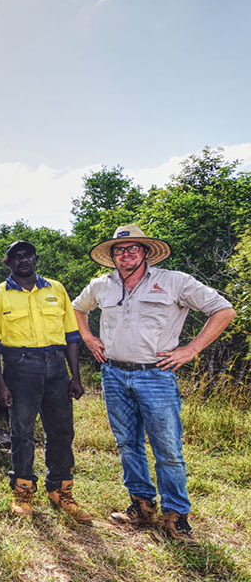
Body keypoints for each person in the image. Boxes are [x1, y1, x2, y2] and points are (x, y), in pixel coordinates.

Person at [72, 225, 235, 541]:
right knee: (126, 442)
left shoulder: (174, 282)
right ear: (112, 255)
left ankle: (176, 515)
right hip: (114, 374)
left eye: (133, 248)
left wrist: (191, 349)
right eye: (120, 250)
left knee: (167, 448)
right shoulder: (101, 286)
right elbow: (78, 308)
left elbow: (223, 310)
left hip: (156, 374)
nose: (126, 254)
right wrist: (89, 337)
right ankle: (141, 504)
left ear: (145, 252)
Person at [0, 240, 90, 524]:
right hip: (20, 368)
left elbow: (71, 337)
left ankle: (60, 490)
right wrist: (1, 384)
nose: (23, 260)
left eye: (27, 255)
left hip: (56, 367)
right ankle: (23, 491)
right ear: (7, 262)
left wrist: (75, 377)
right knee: (22, 432)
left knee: (62, 431)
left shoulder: (56, 289)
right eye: (16, 257)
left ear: (36, 258)